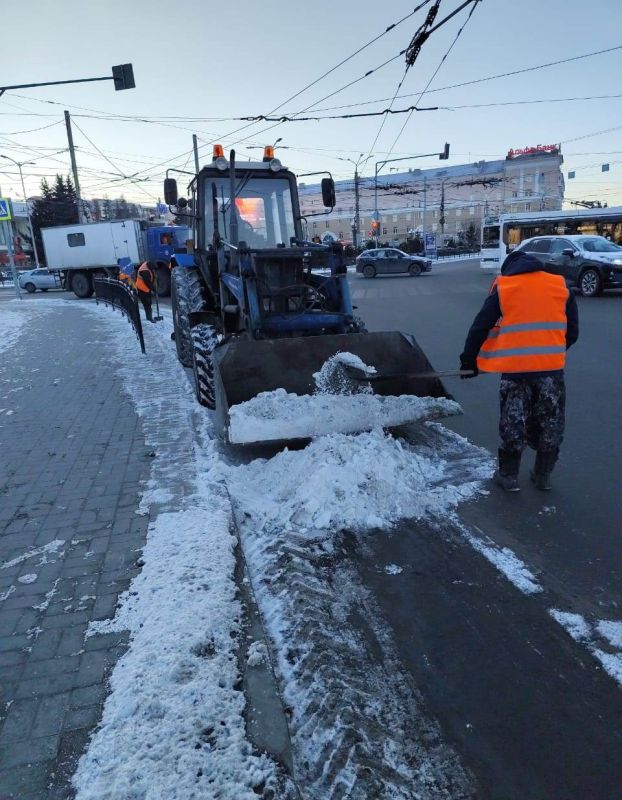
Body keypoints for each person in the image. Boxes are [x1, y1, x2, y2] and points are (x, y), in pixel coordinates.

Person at [460, 250, 579, 492]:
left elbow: (480, 326)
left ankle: (508, 476)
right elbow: (573, 332)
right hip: (551, 372)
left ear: (510, 268)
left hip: (516, 373)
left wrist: (468, 361)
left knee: (514, 422)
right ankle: (543, 476)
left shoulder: (505, 286)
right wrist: (550, 351)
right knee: (550, 423)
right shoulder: (560, 285)